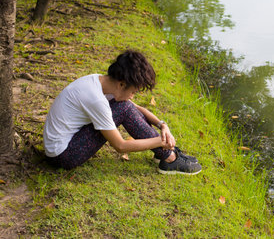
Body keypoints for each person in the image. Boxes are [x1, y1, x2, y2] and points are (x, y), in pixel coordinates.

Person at [43, 50, 201, 175]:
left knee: (126, 107)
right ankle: (170, 158)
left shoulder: (100, 81)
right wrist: (161, 142)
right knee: (124, 108)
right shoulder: (96, 99)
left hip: (65, 143)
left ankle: (166, 154)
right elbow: (120, 145)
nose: (132, 96)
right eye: (133, 91)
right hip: (63, 156)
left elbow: (137, 108)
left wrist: (162, 125)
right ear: (121, 84)